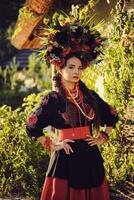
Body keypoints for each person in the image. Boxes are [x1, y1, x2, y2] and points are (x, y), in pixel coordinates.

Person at [26, 23, 118, 200]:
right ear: (60, 69)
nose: (77, 71)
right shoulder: (53, 99)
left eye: (80, 68)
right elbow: (32, 125)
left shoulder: (90, 96)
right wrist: (53, 144)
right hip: (65, 159)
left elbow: (112, 116)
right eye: (71, 67)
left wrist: (102, 137)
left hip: (90, 158)